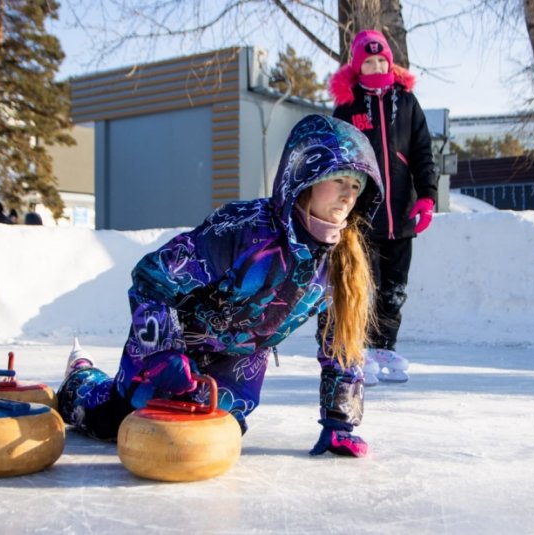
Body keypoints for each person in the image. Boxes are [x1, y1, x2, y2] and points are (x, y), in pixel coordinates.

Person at [57, 114, 383, 457]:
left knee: (207, 438)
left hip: (236, 368)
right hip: (175, 344)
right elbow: (152, 277)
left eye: (356, 186)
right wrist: (162, 352)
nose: (348, 195)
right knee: (117, 421)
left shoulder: (342, 265)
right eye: (339, 180)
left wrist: (339, 422)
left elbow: (342, 345)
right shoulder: (243, 231)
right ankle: (80, 378)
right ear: (304, 177)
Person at [329, 30, 438, 385]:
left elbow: (422, 152)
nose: (376, 66)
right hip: (363, 216)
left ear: (390, 62)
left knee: (394, 289)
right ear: (358, 67)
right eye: (369, 62)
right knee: (363, 288)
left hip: (402, 215)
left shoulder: (406, 102)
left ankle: (383, 346)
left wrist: (426, 196)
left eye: (381, 60)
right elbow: (337, 158)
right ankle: (355, 350)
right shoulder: (348, 105)